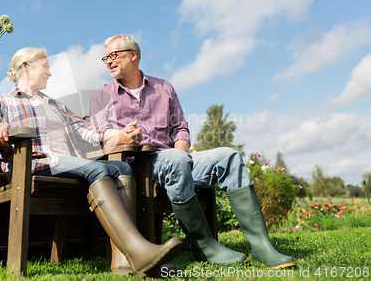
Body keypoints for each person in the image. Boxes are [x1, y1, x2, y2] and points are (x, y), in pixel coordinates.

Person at [90, 35, 296, 269]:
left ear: (133, 55)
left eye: (114, 55)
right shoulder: (101, 95)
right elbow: (99, 137)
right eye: (106, 57)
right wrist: (122, 137)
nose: (109, 61)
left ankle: (262, 247)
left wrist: (183, 157)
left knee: (228, 156)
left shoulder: (164, 87)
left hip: (171, 158)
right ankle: (204, 246)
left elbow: (180, 128)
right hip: (135, 165)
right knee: (175, 159)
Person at [0, 47, 183, 277]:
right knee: (95, 169)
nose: (50, 73)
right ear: (25, 66)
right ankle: (139, 251)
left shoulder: (54, 104)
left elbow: (85, 129)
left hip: (66, 164)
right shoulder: (5, 101)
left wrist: (120, 135)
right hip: (33, 165)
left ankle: (124, 263)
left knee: (123, 167)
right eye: (45, 66)